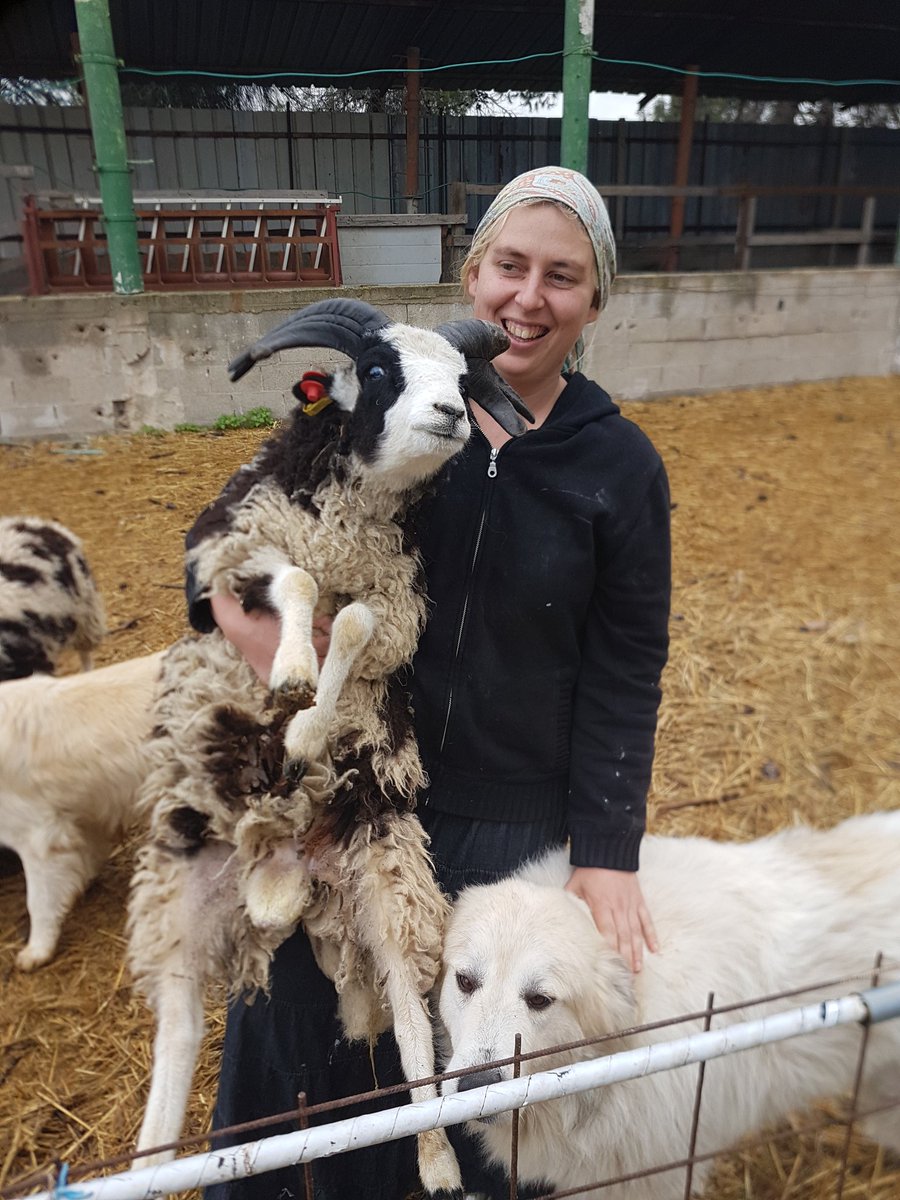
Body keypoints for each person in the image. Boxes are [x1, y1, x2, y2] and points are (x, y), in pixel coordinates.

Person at [189, 165, 671, 1200]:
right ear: (472, 271)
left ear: (595, 301)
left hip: (511, 832)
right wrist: (234, 614)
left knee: (473, 1100)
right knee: (311, 1058)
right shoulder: (398, 408)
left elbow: (629, 666)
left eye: (562, 277)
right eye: (509, 266)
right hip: (361, 801)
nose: (527, 299)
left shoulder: (618, 468)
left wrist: (608, 850)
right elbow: (252, 521)